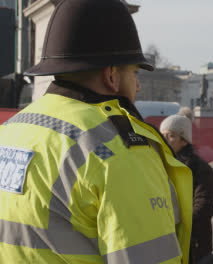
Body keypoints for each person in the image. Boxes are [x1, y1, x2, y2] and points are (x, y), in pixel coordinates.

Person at [0, 0, 192, 263]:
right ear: (111, 75)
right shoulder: (117, 151)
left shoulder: (12, 130)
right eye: (133, 72)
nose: (137, 86)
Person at [160, 115, 213, 264]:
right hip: (165, 241)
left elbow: (203, 207)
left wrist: (174, 223)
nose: (164, 140)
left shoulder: (201, 169)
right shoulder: (158, 165)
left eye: (171, 136)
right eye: (162, 135)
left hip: (194, 243)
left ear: (184, 141)